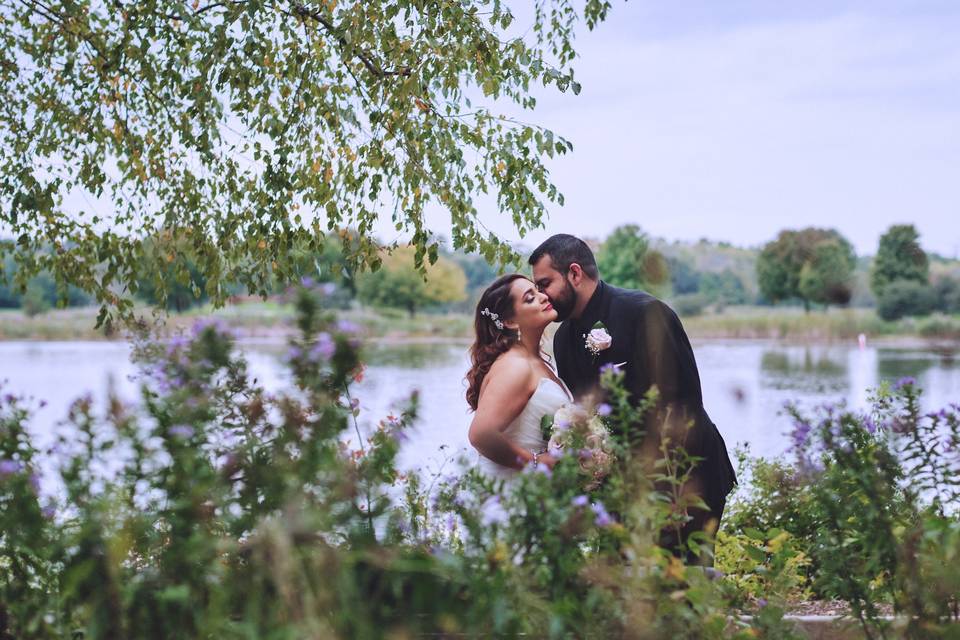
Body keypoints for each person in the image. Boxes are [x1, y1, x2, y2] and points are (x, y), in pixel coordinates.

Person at [529, 233, 736, 564]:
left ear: (575, 273)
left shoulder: (646, 314)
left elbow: (685, 407)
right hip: (621, 488)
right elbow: (585, 414)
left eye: (545, 284)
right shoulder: (565, 338)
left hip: (684, 477)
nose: (541, 296)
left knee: (679, 588)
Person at [465, 274, 572, 481]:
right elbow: (481, 434)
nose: (543, 297)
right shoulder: (516, 365)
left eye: (538, 291)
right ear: (510, 321)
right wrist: (537, 463)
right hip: (510, 494)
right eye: (529, 298)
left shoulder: (536, 361)